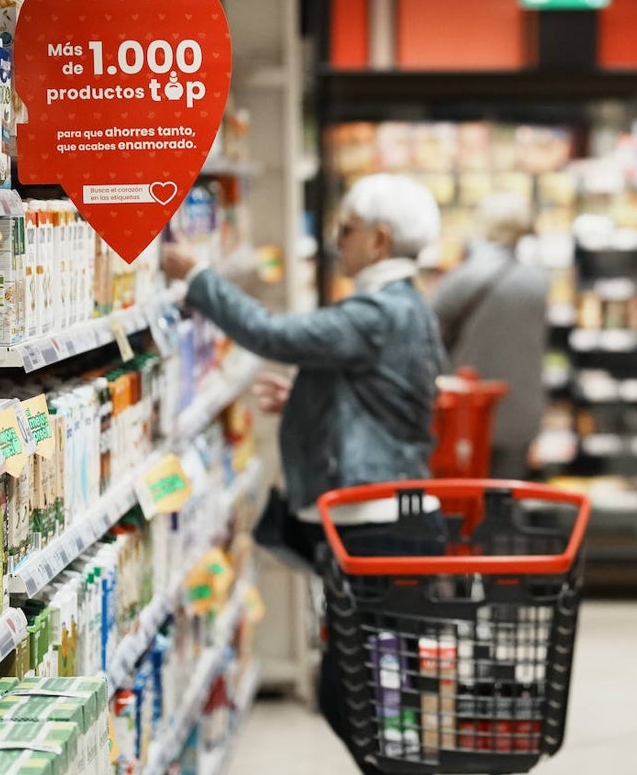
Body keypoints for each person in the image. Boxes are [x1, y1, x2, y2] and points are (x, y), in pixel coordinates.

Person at [161, 172, 447, 774]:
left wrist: (198, 277)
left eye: (347, 229)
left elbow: (273, 334)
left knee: (362, 691)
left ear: (380, 239)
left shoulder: (379, 310)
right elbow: (380, 398)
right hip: (387, 514)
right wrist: (307, 402)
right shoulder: (403, 306)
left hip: (375, 521)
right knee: (371, 687)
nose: (338, 240)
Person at [431, 191, 548, 479]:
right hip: (520, 411)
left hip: (467, 412)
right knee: (505, 500)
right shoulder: (538, 282)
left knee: (464, 502)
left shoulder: (461, 278)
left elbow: (428, 333)